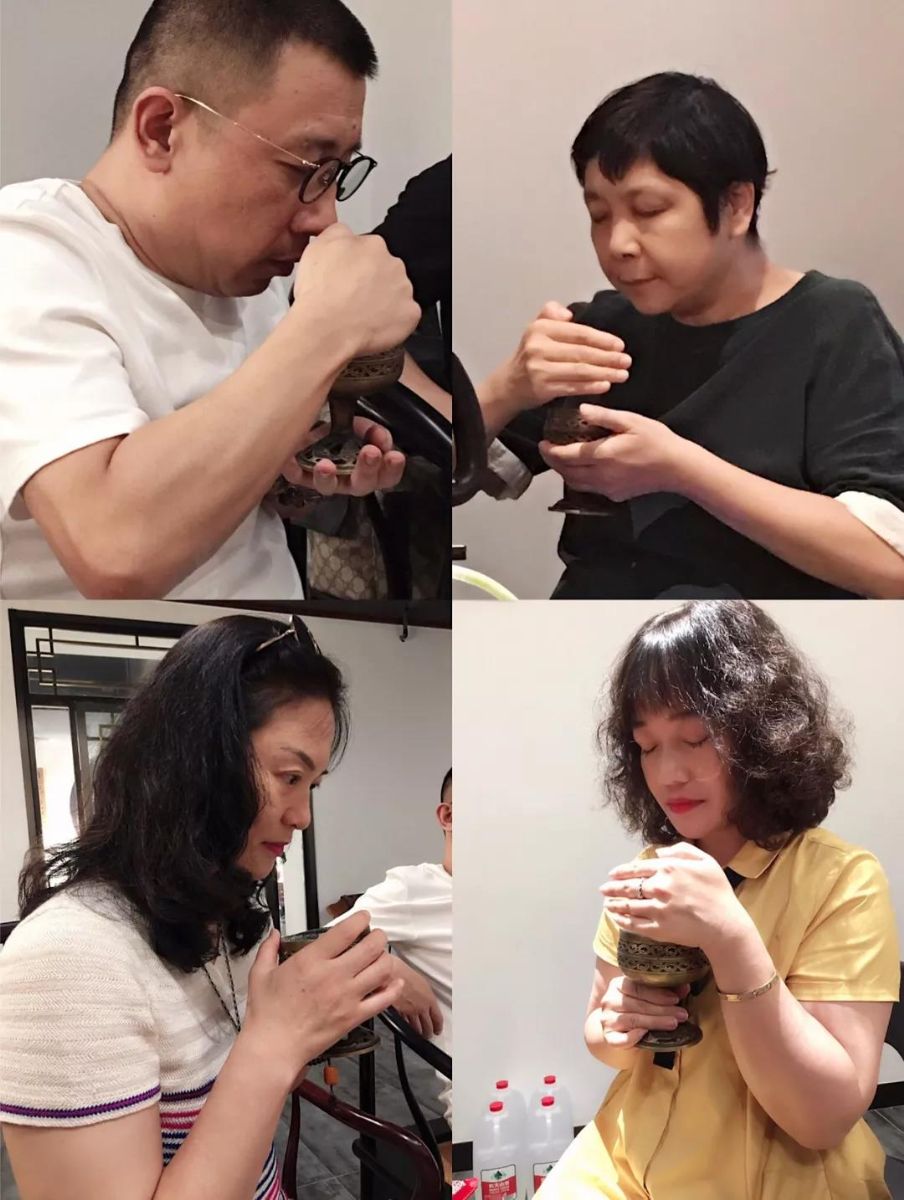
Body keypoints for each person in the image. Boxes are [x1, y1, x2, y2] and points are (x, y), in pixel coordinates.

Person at [0, 0, 421, 600]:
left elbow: (239, 509)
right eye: (305, 168)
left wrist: (289, 471)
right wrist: (326, 326)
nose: (324, 217)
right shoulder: (25, 255)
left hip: (279, 636)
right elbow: (115, 552)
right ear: (161, 130)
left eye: (338, 173)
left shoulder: (247, 275)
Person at [0, 614, 405, 1200]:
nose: (302, 817)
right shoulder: (65, 960)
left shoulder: (218, 919)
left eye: (311, 786)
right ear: (193, 760)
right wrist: (273, 1043)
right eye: (289, 776)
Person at [477, 72, 904, 600]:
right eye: (599, 215)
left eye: (649, 211)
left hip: (754, 638)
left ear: (736, 205)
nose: (618, 243)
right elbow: (453, 479)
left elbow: (890, 563)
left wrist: (681, 471)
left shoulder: (833, 322)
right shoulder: (599, 328)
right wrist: (506, 389)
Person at [539, 601, 899, 1199]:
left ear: (764, 731)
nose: (668, 774)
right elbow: (601, 1038)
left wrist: (731, 939)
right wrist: (617, 1024)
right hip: (623, 1162)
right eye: (647, 746)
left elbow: (823, 1119)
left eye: (695, 737)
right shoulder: (648, 873)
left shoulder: (842, 880)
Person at [328, 768, 453, 1125]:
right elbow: (311, 951)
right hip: (487, 1101)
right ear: (448, 817)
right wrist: (386, 972)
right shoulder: (412, 889)